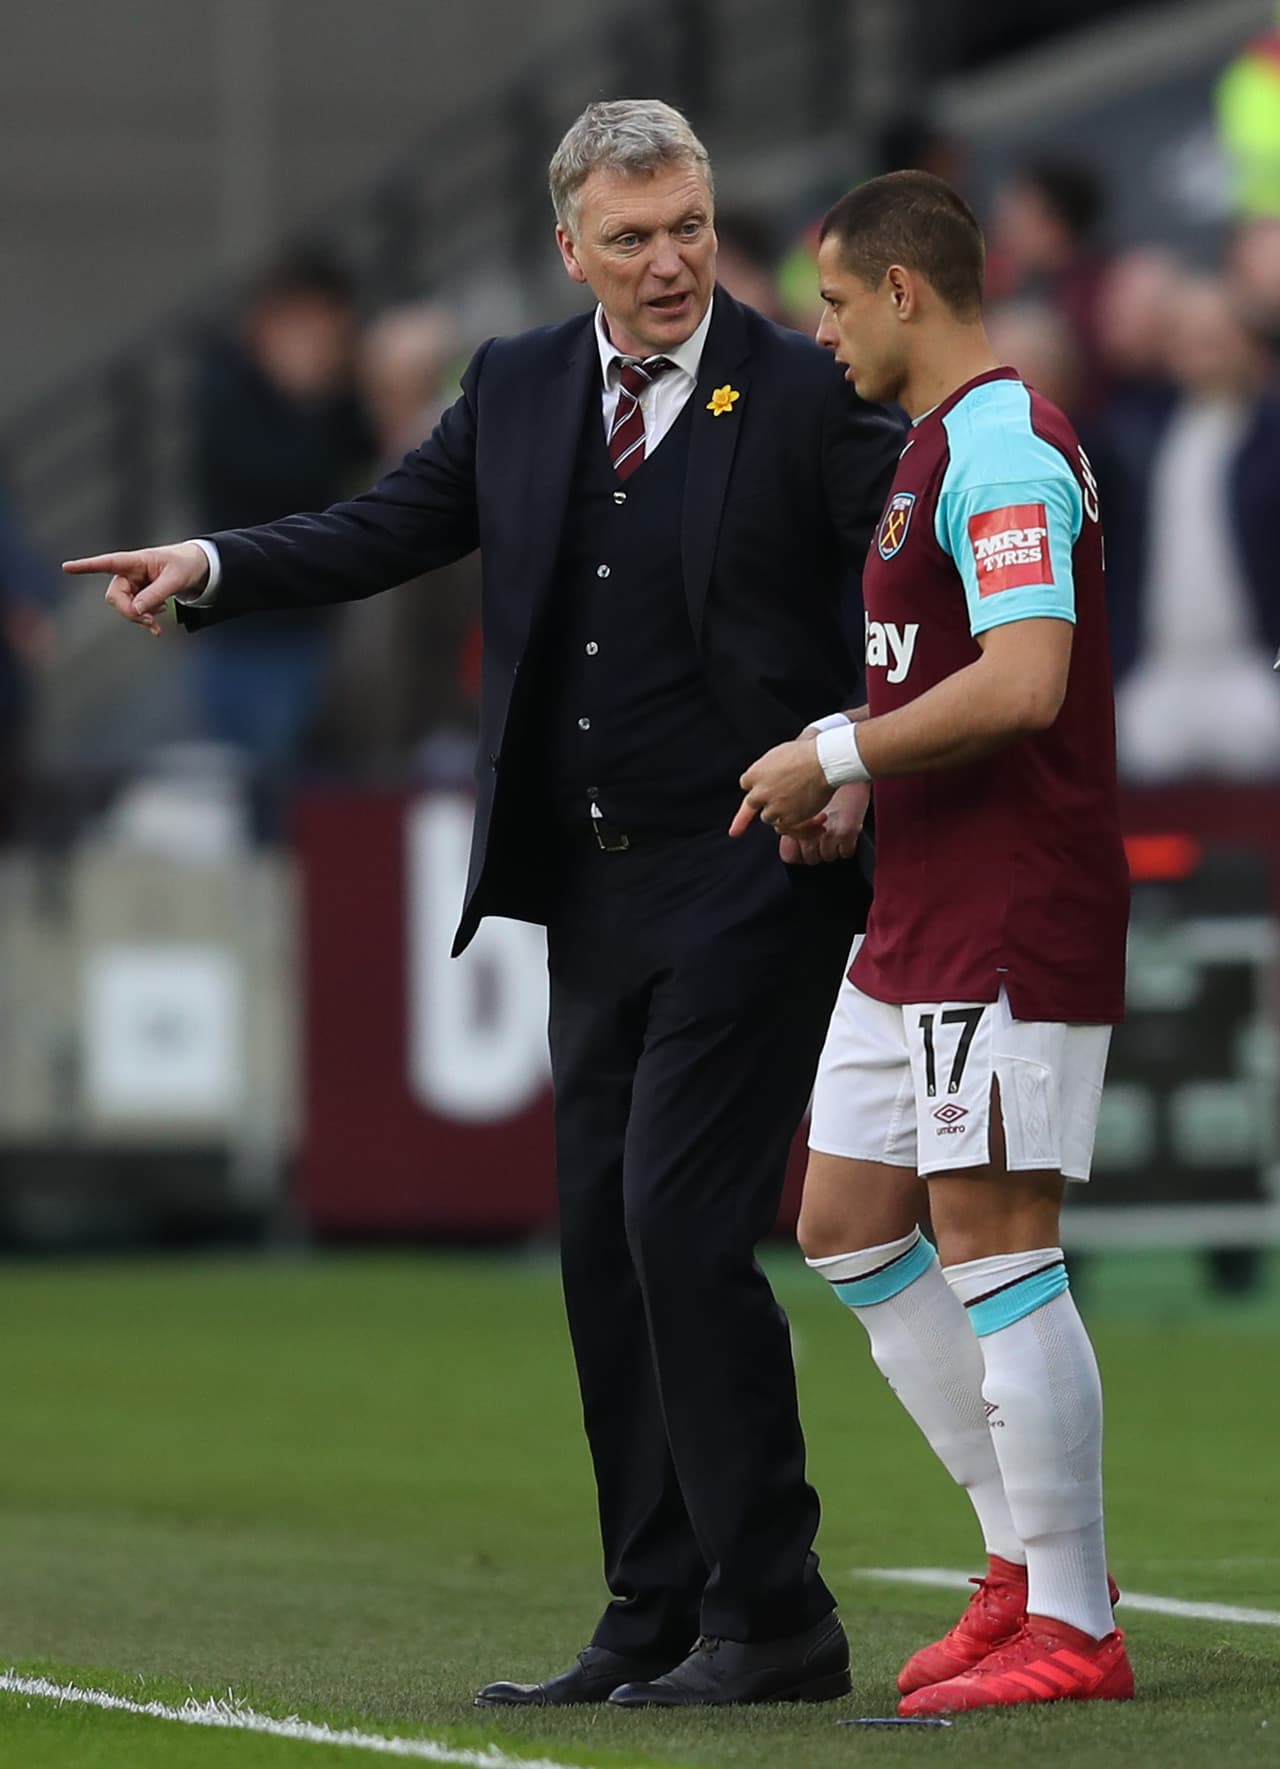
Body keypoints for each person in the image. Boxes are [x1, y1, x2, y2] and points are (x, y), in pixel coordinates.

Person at [64, 100, 903, 1709]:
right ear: (569, 246)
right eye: (635, 236)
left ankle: (775, 1613)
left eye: (691, 229)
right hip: (584, 889)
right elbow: (385, 527)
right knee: (602, 1243)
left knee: (674, 1218)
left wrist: (855, 752)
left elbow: (903, 565)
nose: (669, 263)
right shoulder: (517, 384)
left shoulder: (798, 386)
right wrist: (216, 564)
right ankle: (651, 1612)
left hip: (749, 868)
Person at [732, 170, 1133, 1716]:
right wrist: (866, 789)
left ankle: (1080, 1623)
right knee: (842, 1215)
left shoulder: (1003, 445)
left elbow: (1028, 680)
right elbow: (946, 683)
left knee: (995, 1237)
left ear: (905, 292)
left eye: (833, 302)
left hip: (1010, 907)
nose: (821, 331)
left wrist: (839, 752)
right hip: (921, 900)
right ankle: (1017, 1563)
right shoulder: (928, 450)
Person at [188, 251, 375, 777]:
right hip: (244, 624)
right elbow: (281, 483)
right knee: (258, 783)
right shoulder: (227, 389)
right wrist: (310, 399)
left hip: (312, 623)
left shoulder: (338, 402)